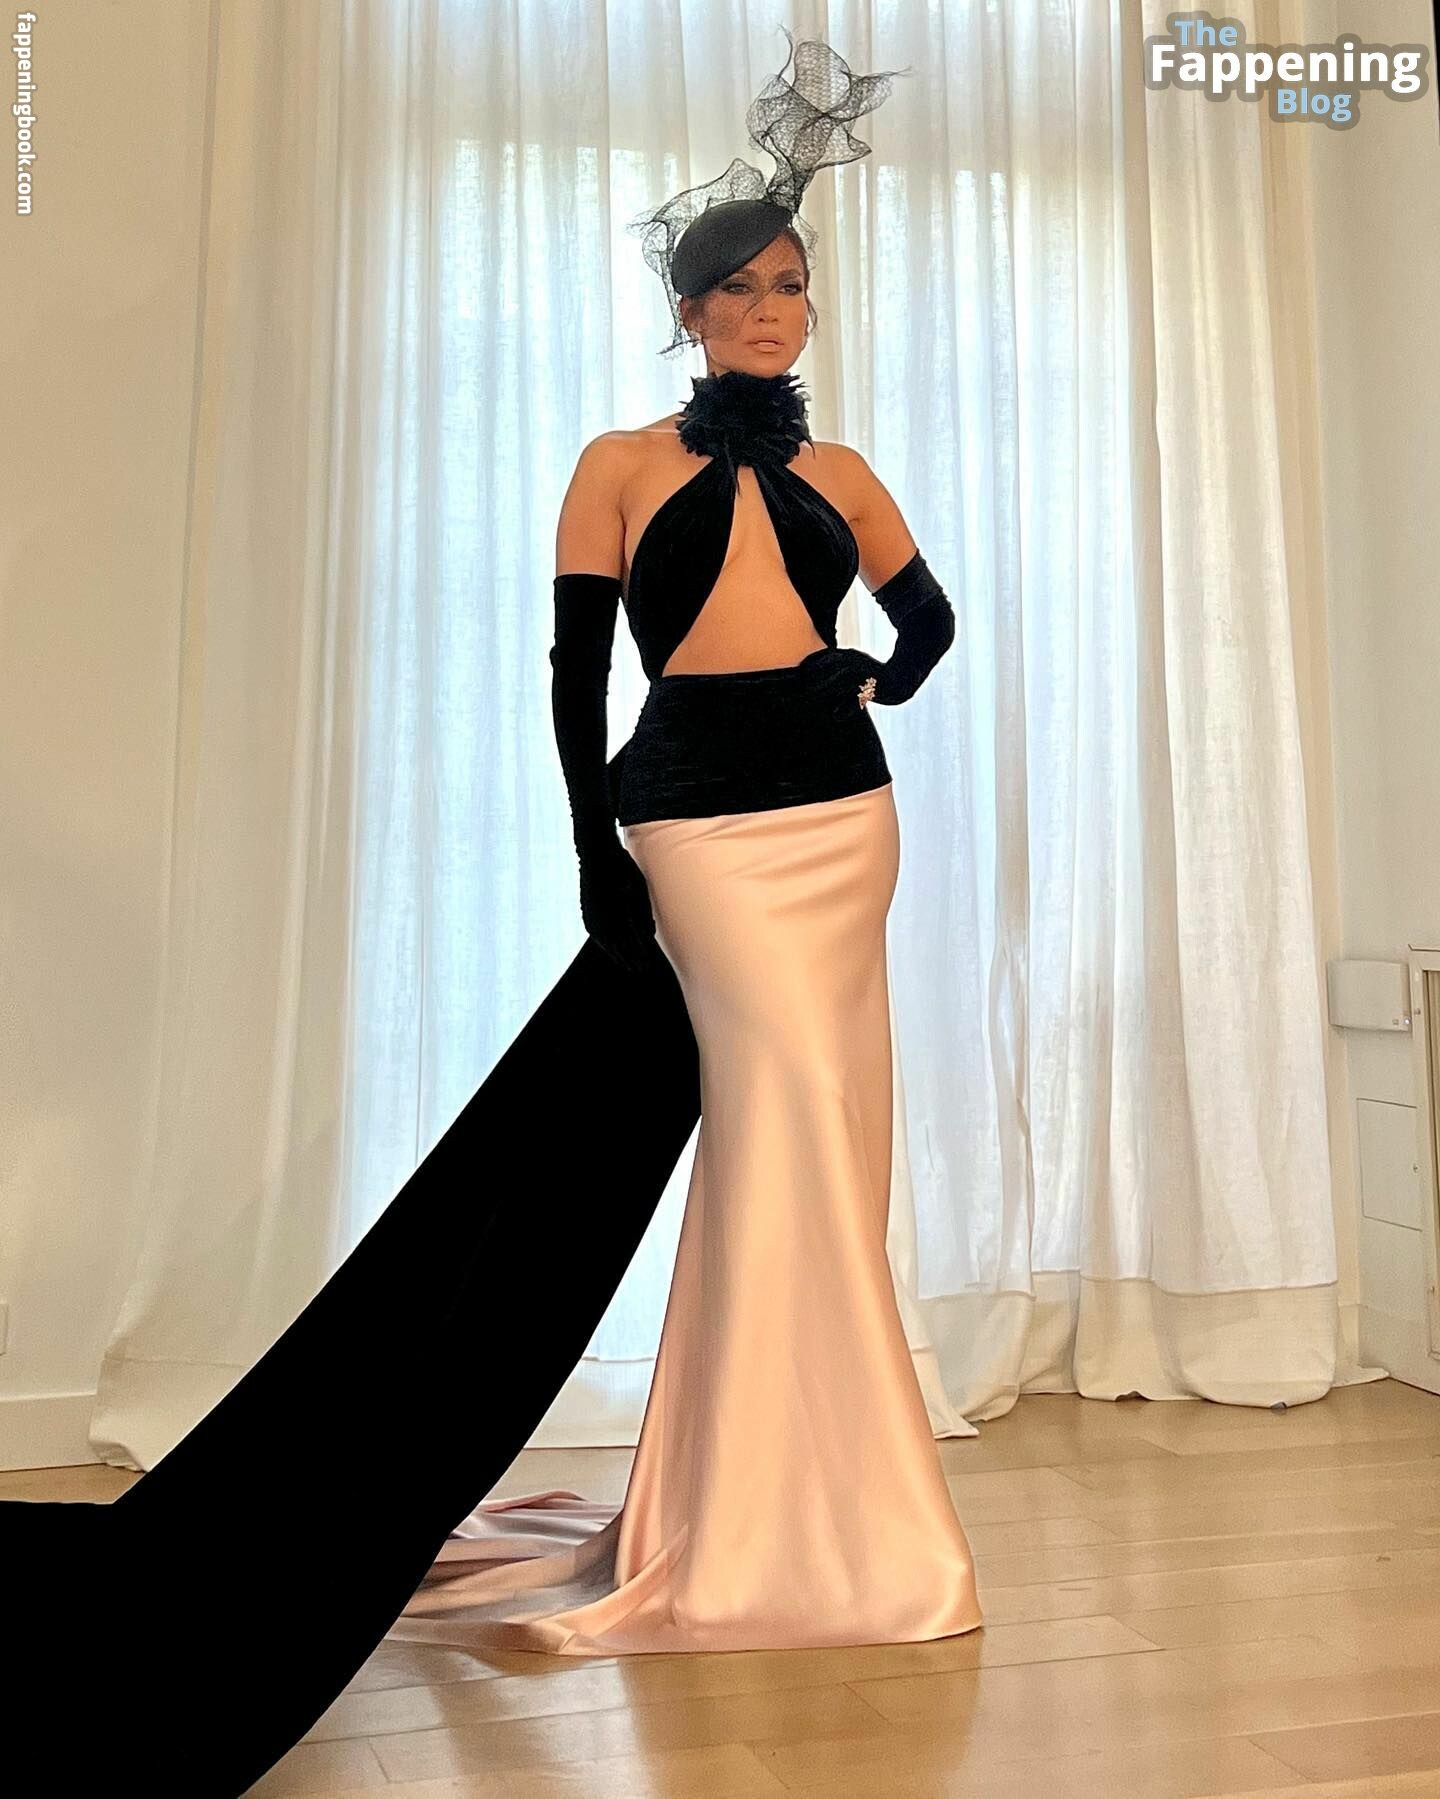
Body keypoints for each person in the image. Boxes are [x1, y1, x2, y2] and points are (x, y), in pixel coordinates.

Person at [0, 31, 979, 1797]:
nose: (772, 313)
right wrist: (595, 851)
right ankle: (768, 1508)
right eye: (742, 290)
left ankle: (810, 1496)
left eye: (793, 288)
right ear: (689, 312)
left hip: (844, 824)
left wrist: (868, 681)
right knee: (774, 1118)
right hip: (692, 826)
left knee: (830, 1132)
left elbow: (932, 627)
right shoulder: (616, 462)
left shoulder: (844, 474)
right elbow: (571, 673)